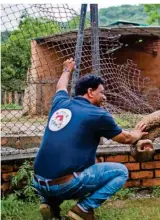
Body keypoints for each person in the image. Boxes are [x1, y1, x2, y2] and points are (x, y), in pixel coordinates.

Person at [33, 58, 148, 220]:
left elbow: (60, 87)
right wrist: (137, 134)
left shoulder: (60, 103)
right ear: (90, 92)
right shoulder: (98, 114)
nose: (105, 97)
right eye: (102, 92)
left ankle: (50, 203)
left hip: (39, 183)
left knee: (71, 166)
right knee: (120, 172)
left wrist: (67, 70)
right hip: (64, 185)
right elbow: (126, 138)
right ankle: (83, 209)